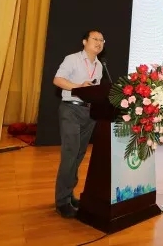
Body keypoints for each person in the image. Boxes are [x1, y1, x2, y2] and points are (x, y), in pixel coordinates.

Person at [53, 30, 105, 218]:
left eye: (102, 40)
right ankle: (62, 202)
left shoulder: (99, 65)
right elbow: (57, 80)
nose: (99, 42)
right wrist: (78, 87)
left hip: (88, 112)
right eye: (95, 39)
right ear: (84, 41)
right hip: (71, 110)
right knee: (70, 154)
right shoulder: (72, 59)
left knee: (78, 155)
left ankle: (69, 195)